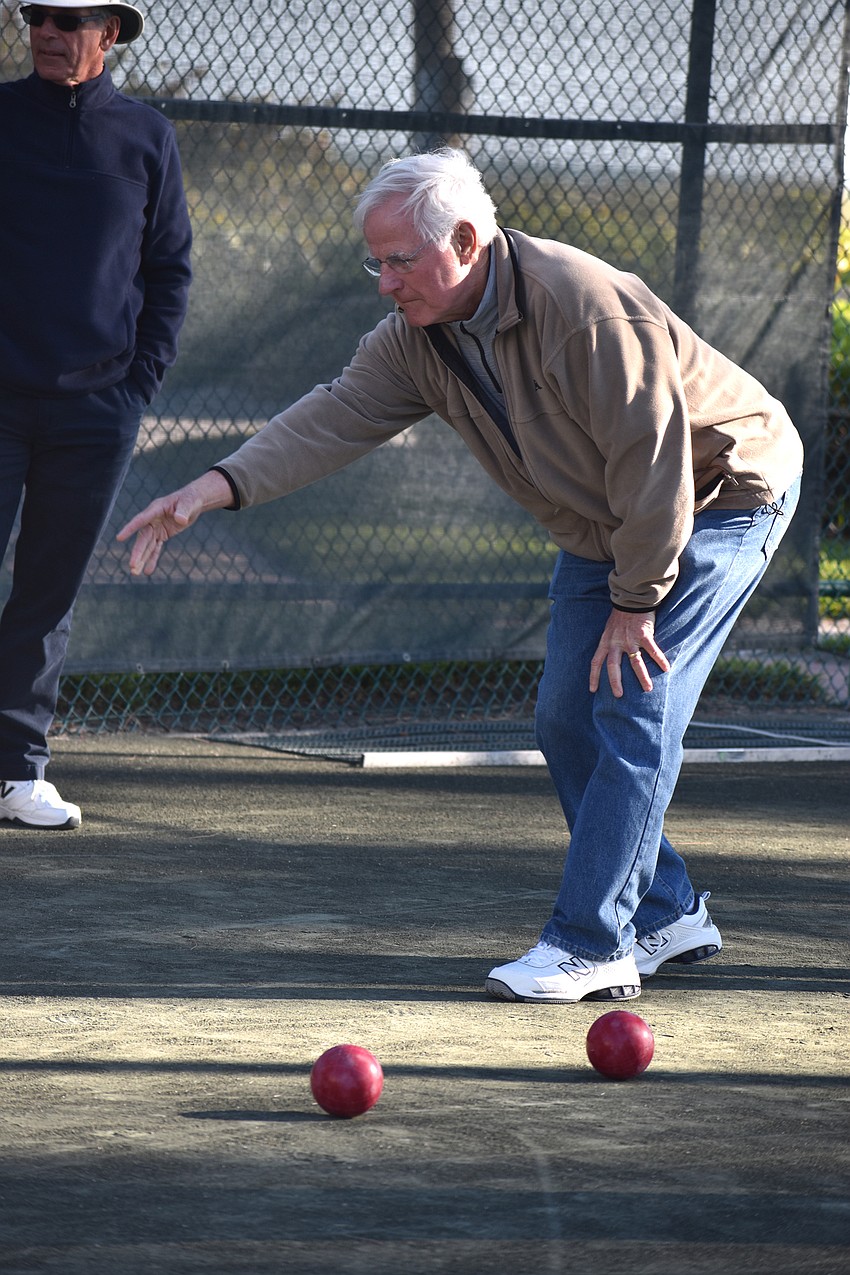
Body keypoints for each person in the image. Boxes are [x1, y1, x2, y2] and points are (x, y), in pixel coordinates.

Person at [118, 148, 803, 1002]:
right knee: (564, 716)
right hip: (607, 519)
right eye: (376, 260)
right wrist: (211, 489)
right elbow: (337, 412)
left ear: (468, 242)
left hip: (719, 490)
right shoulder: (418, 338)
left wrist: (637, 605)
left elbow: (654, 463)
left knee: (635, 701)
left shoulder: (584, 308)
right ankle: (667, 912)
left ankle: (593, 942)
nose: (383, 281)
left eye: (400, 260)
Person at [0, 3, 192, 829]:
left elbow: (171, 270)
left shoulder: (146, 138)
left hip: (96, 409)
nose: (46, 30)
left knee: (47, 590)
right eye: (37, 14)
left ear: (108, 34)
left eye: (67, 18)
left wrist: (135, 386)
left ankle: (17, 770)